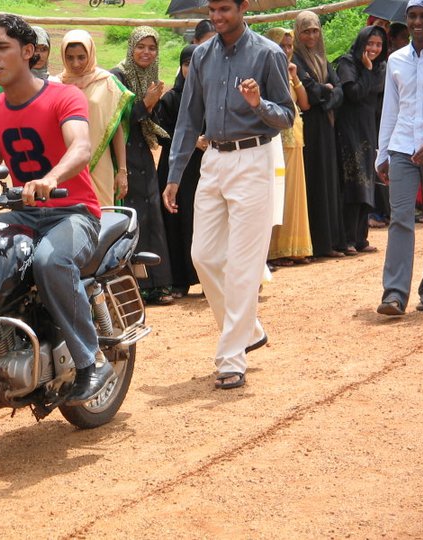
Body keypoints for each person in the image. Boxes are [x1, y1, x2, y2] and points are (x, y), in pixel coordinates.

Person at [0, 14, 114, 405]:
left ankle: (92, 361)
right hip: (23, 214)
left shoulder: (63, 96)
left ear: (28, 52)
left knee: (51, 262)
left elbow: (81, 147)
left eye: (2, 47)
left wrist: (52, 178)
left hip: (73, 211)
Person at [163, 0, 294, 389]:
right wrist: (174, 174)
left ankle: (232, 358)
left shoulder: (267, 54)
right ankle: (248, 329)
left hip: (254, 159)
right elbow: (188, 118)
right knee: (202, 255)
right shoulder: (202, 55)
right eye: (214, 10)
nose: (217, 17)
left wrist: (259, 104)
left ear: (243, 7)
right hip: (214, 161)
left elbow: (287, 114)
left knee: (242, 264)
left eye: (225, 9)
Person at [111, 26, 173, 305]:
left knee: (151, 216)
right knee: (131, 217)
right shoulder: (117, 76)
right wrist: (145, 104)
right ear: (131, 47)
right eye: (141, 46)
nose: (146, 52)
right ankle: (132, 286)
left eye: (152, 48)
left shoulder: (152, 78)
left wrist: (153, 104)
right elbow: (115, 121)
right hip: (122, 156)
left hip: (144, 156)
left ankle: (158, 285)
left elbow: (155, 122)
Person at [375, 0, 423, 316]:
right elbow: (390, 110)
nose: (418, 22)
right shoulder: (396, 60)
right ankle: (394, 294)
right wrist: (382, 154)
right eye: (413, 16)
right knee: (401, 219)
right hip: (402, 148)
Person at [292, 11, 346, 258]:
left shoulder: (322, 58)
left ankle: (332, 241)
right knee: (315, 183)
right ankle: (318, 244)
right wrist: (327, 93)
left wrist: (326, 94)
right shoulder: (296, 59)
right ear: (298, 33)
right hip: (310, 130)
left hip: (326, 126)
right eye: (306, 31)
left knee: (329, 181)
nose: (311, 35)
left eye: (315, 30)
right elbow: (311, 93)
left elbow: (339, 91)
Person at [59, 29, 134, 206]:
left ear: (90, 54)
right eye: (70, 57)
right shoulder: (56, 84)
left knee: (103, 213)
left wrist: (122, 171)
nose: (75, 63)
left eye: (81, 57)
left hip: (100, 164)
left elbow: (115, 129)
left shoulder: (107, 82)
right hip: (66, 165)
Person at [155, 45, 202, 296]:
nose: (190, 69)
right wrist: (191, 140)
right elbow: (160, 135)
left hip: (204, 168)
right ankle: (180, 281)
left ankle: (209, 279)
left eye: (195, 64)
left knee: (204, 221)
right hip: (175, 169)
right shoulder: (171, 98)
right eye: (186, 64)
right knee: (177, 221)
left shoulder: (210, 96)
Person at [336, 25, 387, 254]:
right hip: (349, 130)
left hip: (368, 130)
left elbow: (376, 94)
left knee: (367, 183)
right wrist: (366, 71)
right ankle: (347, 239)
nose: (374, 48)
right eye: (370, 43)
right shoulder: (347, 63)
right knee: (352, 183)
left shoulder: (382, 67)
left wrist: (368, 74)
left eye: (378, 44)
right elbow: (353, 94)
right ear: (362, 43)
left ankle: (360, 239)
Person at [265, 27, 313, 266]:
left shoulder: (291, 70)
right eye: (281, 45)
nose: (286, 50)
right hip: (276, 140)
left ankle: (295, 247)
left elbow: (304, 104)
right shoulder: (269, 70)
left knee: (294, 193)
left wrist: (294, 77)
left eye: (289, 46)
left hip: (295, 138)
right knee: (278, 193)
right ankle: (275, 250)